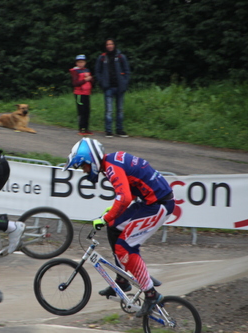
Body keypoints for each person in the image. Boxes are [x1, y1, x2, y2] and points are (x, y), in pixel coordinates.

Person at [63, 137, 175, 317]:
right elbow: (128, 194)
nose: (84, 171)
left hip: (158, 205)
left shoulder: (111, 167)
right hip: (148, 201)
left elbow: (123, 198)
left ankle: (151, 293)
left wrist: (105, 217)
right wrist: (112, 214)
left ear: (91, 160)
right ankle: (122, 280)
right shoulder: (111, 161)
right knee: (114, 225)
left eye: (83, 166)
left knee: (124, 247)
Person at [95, 38, 130, 138]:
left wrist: (124, 82)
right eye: (107, 44)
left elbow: (127, 71)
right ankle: (109, 130)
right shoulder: (102, 58)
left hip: (119, 87)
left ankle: (119, 130)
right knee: (109, 110)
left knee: (120, 109)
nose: (109, 46)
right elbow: (97, 71)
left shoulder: (120, 57)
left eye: (111, 44)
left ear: (114, 45)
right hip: (108, 87)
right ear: (106, 46)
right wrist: (101, 82)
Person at [69, 55, 94, 136]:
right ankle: (81, 128)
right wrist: (85, 80)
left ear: (85, 62)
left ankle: (86, 128)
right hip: (79, 93)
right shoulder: (75, 71)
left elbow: (92, 81)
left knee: (87, 111)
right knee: (81, 111)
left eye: (82, 62)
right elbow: (75, 83)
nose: (81, 63)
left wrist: (90, 78)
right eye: (79, 62)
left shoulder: (87, 70)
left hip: (87, 93)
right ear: (76, 63)